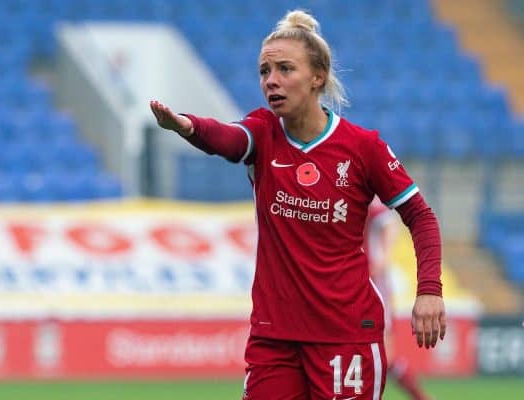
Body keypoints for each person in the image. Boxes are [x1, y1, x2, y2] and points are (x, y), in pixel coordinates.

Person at [150, 9, 446, 400]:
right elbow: (230, 140)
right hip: (275, 338)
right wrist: (190, 127)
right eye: (264, 71)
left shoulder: (362, 148)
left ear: (317, 77)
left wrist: (429, 290)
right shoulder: (264, 131)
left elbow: (420, 216)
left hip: (345, 335)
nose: (271, 81)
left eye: (285, 69)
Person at [365, 197, 433, 400]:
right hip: (350, 281)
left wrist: (382, 259)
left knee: (384, 355)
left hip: (374, 284)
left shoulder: (368, 200)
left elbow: (389, 225)